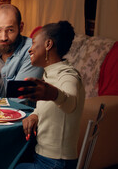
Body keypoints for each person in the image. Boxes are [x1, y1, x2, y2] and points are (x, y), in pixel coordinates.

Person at [16, 21, 85, 169]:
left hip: (56, 163)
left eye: (34, 43)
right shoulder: (50, 73)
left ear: (48, 44)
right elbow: (51, 107)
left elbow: (70, 102)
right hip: (43, 157)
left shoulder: (67, 75)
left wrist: (52, 94)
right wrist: (35, 115)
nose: (30, 49)